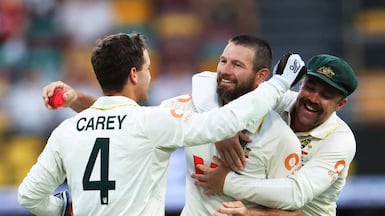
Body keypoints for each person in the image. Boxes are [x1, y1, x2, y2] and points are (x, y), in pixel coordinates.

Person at [18, 33, 304, 216]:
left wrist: (61, 208)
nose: (150, 75)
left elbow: (29, 195)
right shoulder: (152, 122)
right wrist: (279, 83)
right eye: (147, 68)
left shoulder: (66, 130)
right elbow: (223, 122)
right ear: (134, 75)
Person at [192, 54, 359, 216]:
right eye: (310, 88)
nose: (313, 98)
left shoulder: (340, 140)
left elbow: (296, 194)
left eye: (326, 95)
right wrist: (222, 128)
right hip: (252, 205)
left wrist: (226, 183)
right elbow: (204, 82)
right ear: (301, 84)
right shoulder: (277, 99)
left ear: (340, 104)